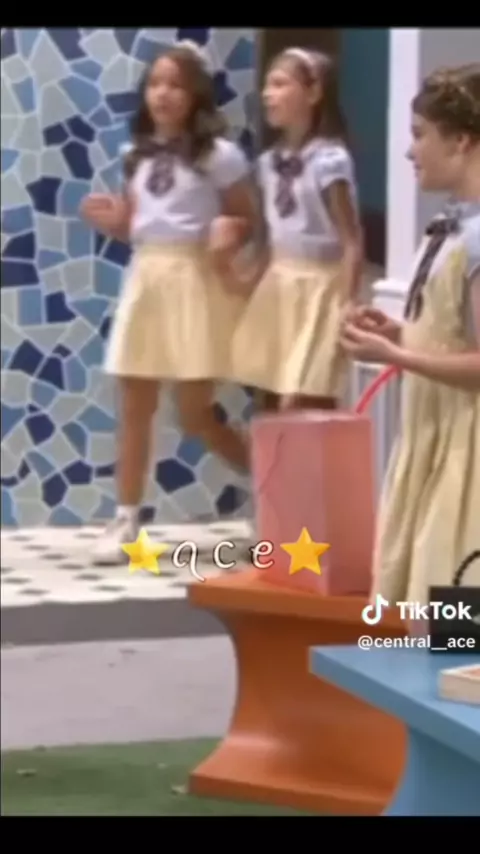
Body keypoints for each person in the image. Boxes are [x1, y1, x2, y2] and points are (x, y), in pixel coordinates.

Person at [80, 41, 258, 565]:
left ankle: (271, 488)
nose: (163, 94)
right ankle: (126, 518)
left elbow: (247, 218)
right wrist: (115, 223)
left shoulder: (219, 156)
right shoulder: (134, 153)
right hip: (148, 277)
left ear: (196, 93)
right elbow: (139, 224)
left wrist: (231, 236)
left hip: (195, 279)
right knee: (135, 404)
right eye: (155, 83)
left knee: (196, 414)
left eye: (175, 85)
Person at [340, 64, 480, 606]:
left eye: (420, 135)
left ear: (461, 140)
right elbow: (455, 330)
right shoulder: (455, 226)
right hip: (436, 436)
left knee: (455, 615)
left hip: (467, 448)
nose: (409, 151)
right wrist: (402, 335)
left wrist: (398, 355)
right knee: (423, 608)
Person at [230, 48, 364, 411]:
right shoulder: (267, 164)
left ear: (313, 92)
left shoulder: (328, 160)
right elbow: (270, 239)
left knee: (307, 397)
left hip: (320, 289)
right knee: (273, 396)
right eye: (266, 86)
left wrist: (347, 302)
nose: (267, 94)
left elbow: (351, 241)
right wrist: (243, 281)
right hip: (279, 286)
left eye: (279, 84)